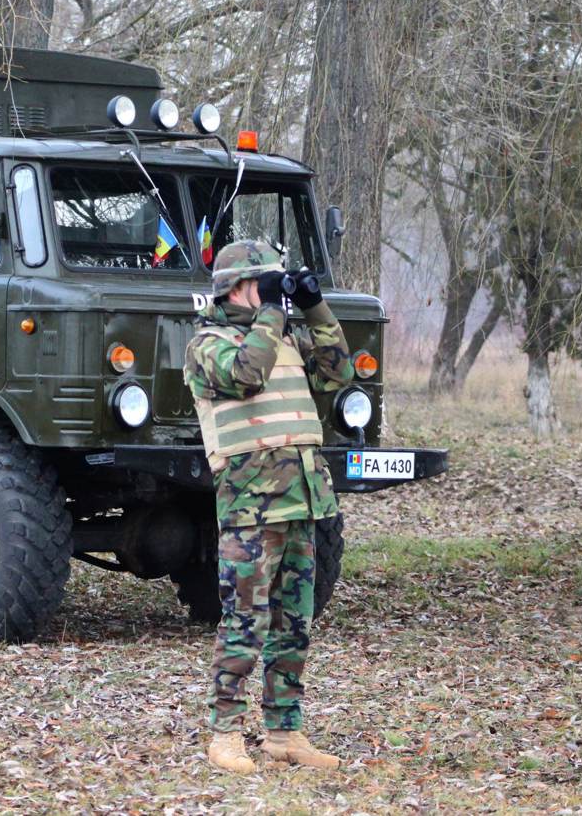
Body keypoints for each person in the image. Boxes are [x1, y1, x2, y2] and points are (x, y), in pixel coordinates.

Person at [183, 240, 354, 773]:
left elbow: (338, 372)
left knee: (293, 624)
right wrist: (275, 312)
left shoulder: (281, 336)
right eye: (267, 282)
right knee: (244, 623)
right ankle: (225, 734)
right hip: (250, 509)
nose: (274, 293)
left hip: (302, 501)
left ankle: (284, 732)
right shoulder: (208, 345)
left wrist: (314, 306)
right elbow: (247, 375)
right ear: (239, 287)